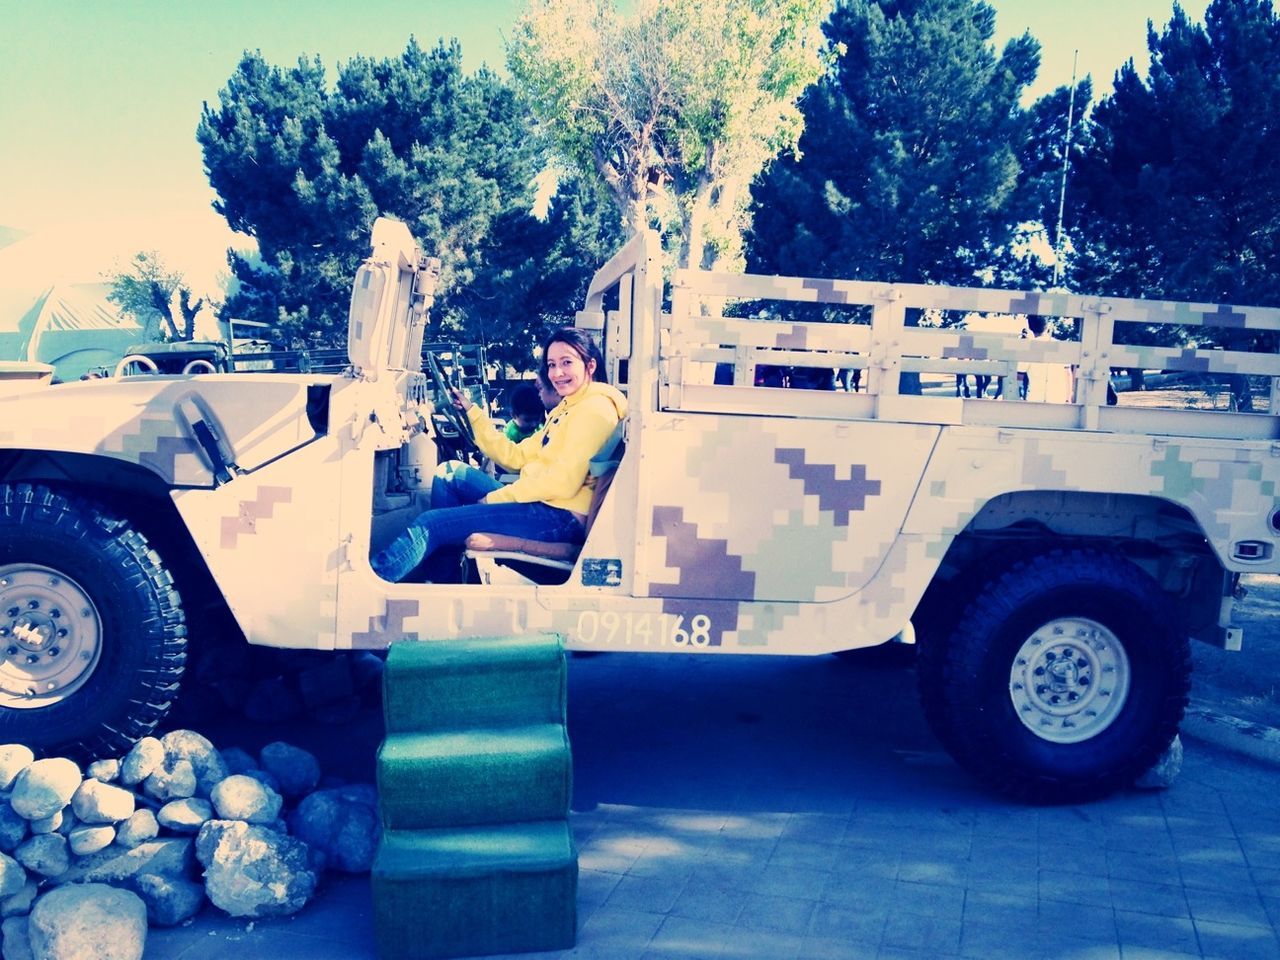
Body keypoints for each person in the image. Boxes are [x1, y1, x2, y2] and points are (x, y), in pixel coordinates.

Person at [372, 327, 627, 583]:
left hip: (559, 516)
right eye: (551, 364)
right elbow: (515, 456)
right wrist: (473, 413)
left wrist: (495, 498)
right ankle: (445, 580)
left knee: (431, 524)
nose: (557, 373)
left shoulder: (594, 410)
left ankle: (371, 584)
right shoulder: (569, 406)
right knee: (449, 473)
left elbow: (561, 482)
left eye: (566, 363)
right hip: (545, 503)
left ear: (590, 365)